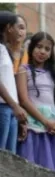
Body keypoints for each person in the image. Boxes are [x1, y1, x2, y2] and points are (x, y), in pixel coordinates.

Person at [14, 31, 55, 176]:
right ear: (31, 48)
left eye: (47, 49)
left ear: (51, 53)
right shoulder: (23, 70)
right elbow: (24, 100)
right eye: (39, 47)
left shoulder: (52, 73)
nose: (42, 51)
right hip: (35, 125)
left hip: (53, 126)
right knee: (37, 165)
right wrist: (45, 122)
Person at [0, 12, 25, 154]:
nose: (20, 32)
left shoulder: (4, 50)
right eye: (18, 27)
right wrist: (15, 106)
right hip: (3, 107)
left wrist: (17, 109)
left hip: (10, 109)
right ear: (9, 28)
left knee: (10, 158)